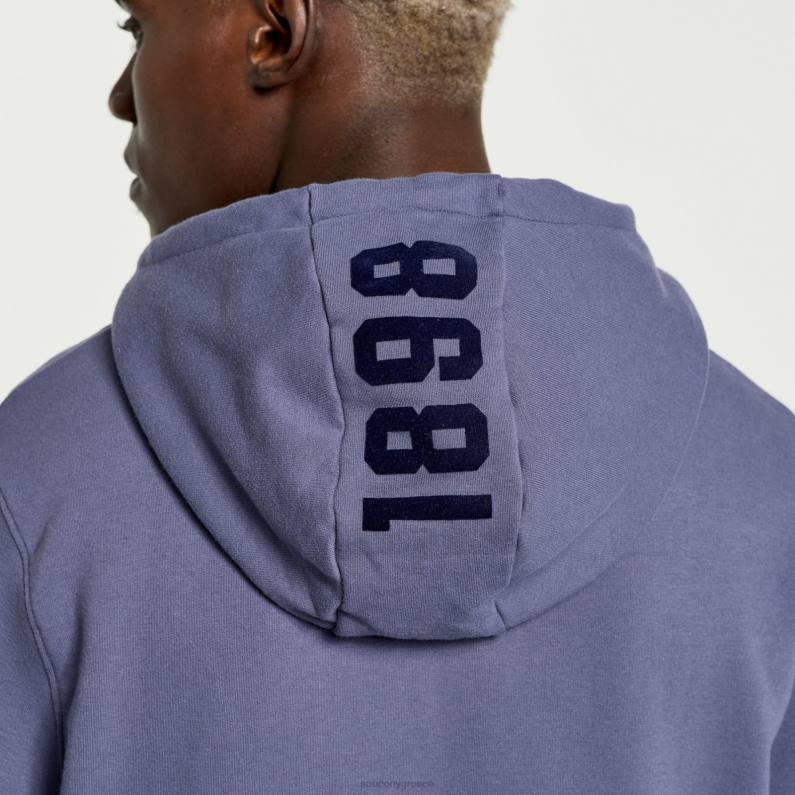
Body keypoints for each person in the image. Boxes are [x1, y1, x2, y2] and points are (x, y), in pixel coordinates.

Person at [1, 1, 793, 792]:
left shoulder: (36, 479)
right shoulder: (764, 484)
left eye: (137, 28)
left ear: (275, 31)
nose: (120, 96)